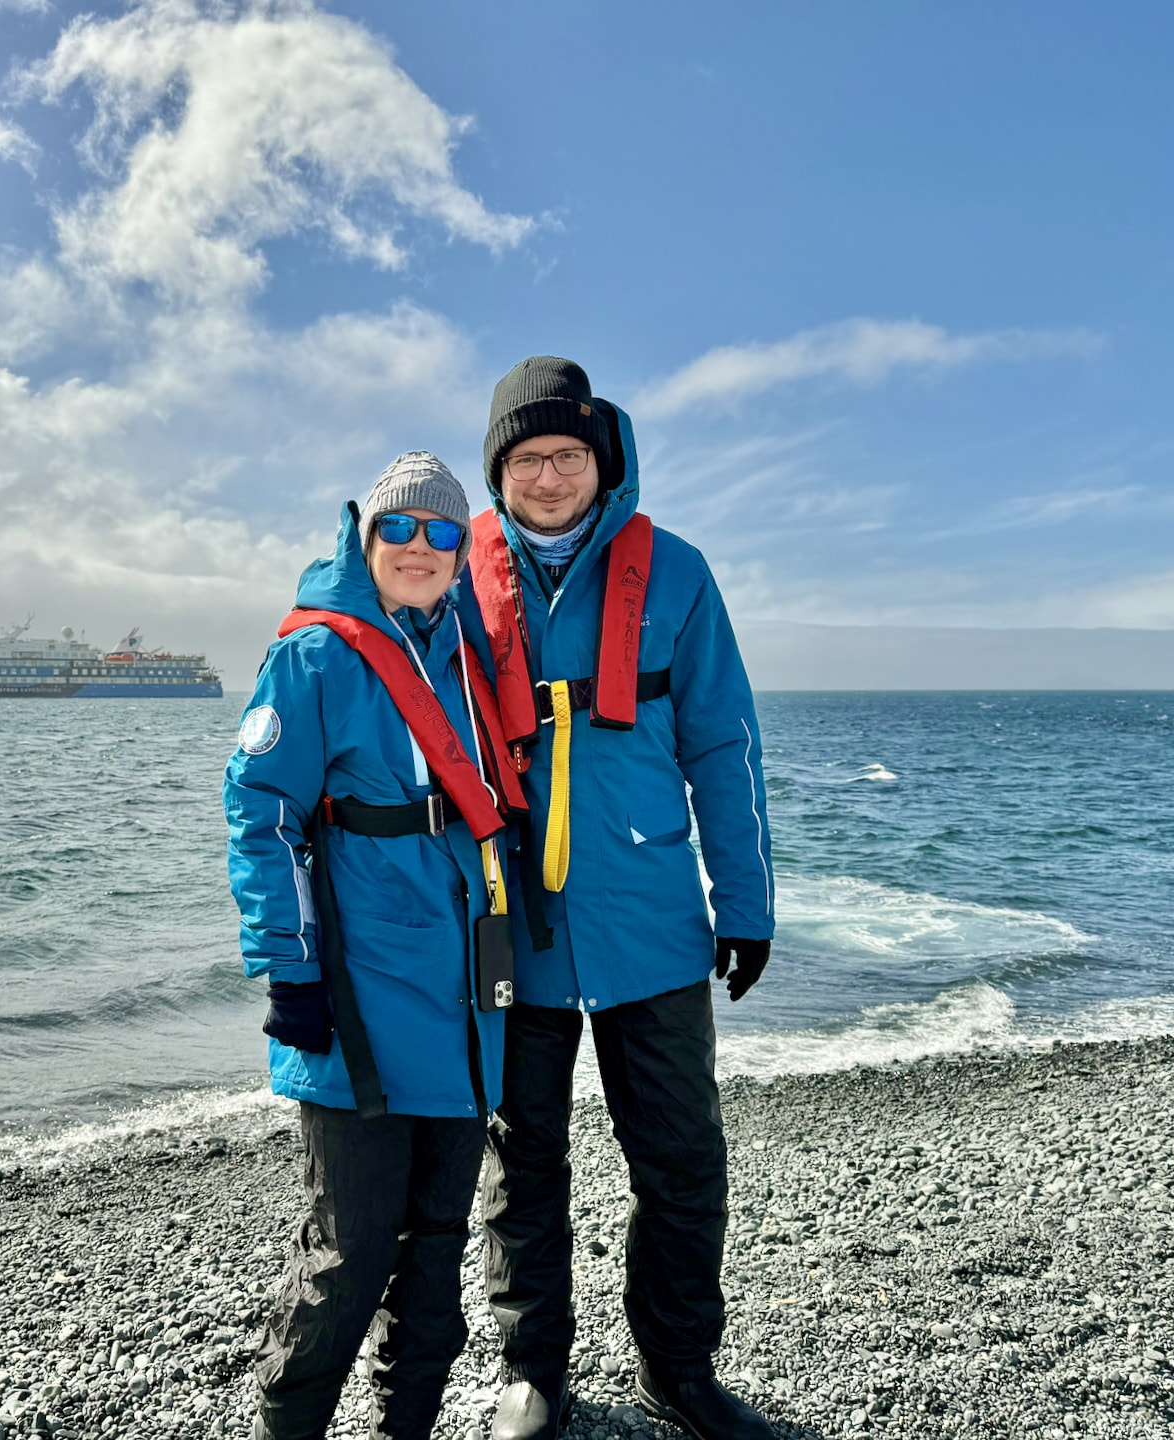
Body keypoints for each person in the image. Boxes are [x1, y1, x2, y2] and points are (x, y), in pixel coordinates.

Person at [457, 359, 778, 1440]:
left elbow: (723, 743)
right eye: (527, 457)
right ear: (497, 469)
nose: (549, 478)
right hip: (514, 923)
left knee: (682, 1160)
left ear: (606, 460)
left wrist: (747, 904)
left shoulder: (678, 575)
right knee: (523, 1161)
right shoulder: (451, 575)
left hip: (651, 918)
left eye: (569, 455)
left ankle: (678, 1369)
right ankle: (529, 1373)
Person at [224, 452, 526, 1440]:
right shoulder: (315, 658)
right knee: (349, 1251)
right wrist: (289, 969)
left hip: (465, 1002)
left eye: (443, 531)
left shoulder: (469, 656)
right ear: (367, 540)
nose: (421, 547)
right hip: (355, 1002)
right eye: (400, 528)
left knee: (437, 1245)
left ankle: (408, 1429)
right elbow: (259, 812)